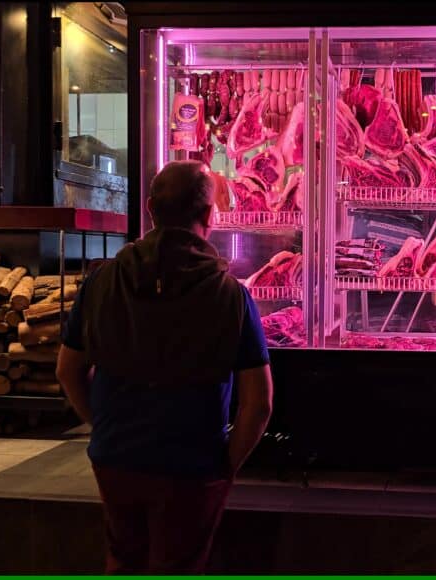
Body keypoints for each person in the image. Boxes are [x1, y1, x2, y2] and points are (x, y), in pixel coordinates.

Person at [57, 160, 273, 574]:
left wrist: (104, 425)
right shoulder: (230, 295)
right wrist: (227, 464)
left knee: (123, 561)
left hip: (115, 457)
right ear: (210, 215)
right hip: (192, 465)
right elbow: (258, 403)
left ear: (150, 208)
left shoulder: (101, 281)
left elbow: (68, 371)